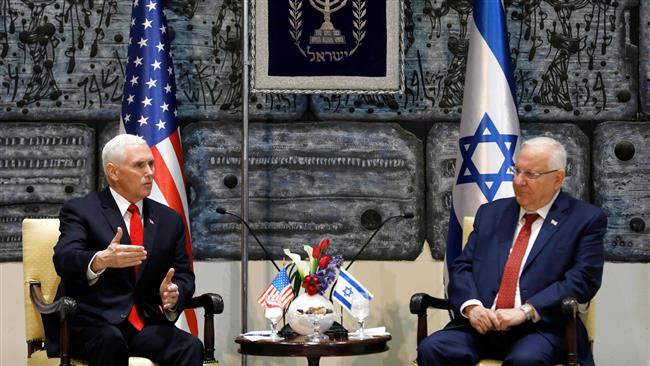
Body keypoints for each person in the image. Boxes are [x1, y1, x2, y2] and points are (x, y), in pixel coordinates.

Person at [418, 137, 606, 366]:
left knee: (524, 360)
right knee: (433, 349)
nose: (518, 181)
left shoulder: (585, 219)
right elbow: (462, 267)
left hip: (540, 328)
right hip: (482, 324)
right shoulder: (490, 213)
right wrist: (472, 307)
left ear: (558, 178)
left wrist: (526, 311)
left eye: (531, 174)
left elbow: (582, 280)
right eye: (516, 170)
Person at [46, 134, 203, 366]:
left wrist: (175, 292)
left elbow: (183, 274)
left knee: (190, 346)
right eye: (140, 165)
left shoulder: (169, 220)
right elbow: (64, 258)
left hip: (143, 324)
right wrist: (100, 260)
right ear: (114, 172)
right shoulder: (81, 210)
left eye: (151, 164)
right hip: (92, 325)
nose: (150, 172)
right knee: (111, 340)